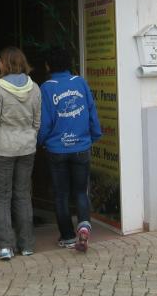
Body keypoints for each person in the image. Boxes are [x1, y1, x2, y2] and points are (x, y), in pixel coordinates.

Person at [37, 47, 102, 252]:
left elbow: (45, 122)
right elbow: (91, 112)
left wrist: (40, 141)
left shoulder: (46, 88)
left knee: (61, 194)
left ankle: (67, 236)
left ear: (48, 65)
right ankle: (83, 226)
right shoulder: (80, 82)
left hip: (57, 149)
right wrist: (94, 135)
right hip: (81, 147)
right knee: (81, 192)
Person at [0, 46, 42, 261]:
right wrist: (30, 138)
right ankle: (27, 245)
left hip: (2, 149)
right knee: (23, 195)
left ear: (5, 64)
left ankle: (6, 246)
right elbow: (37, 121)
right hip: (27, 148)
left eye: (0, 60)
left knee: (2, 197)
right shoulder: (35, 88)